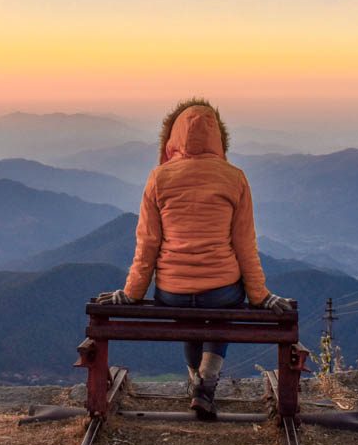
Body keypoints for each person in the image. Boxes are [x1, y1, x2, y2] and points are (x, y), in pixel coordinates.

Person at [97, 98, 293, 419]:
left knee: (188, 318)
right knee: (222, 311)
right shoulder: (235, 178)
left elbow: (147, 244)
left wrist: (131, 293)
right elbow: (245, 245)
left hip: (171, 292)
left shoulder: (158, 178)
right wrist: (260, 296)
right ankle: (206, 384)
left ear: (173, 137)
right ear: (218, 137)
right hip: (221, 291)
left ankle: (195, 383)